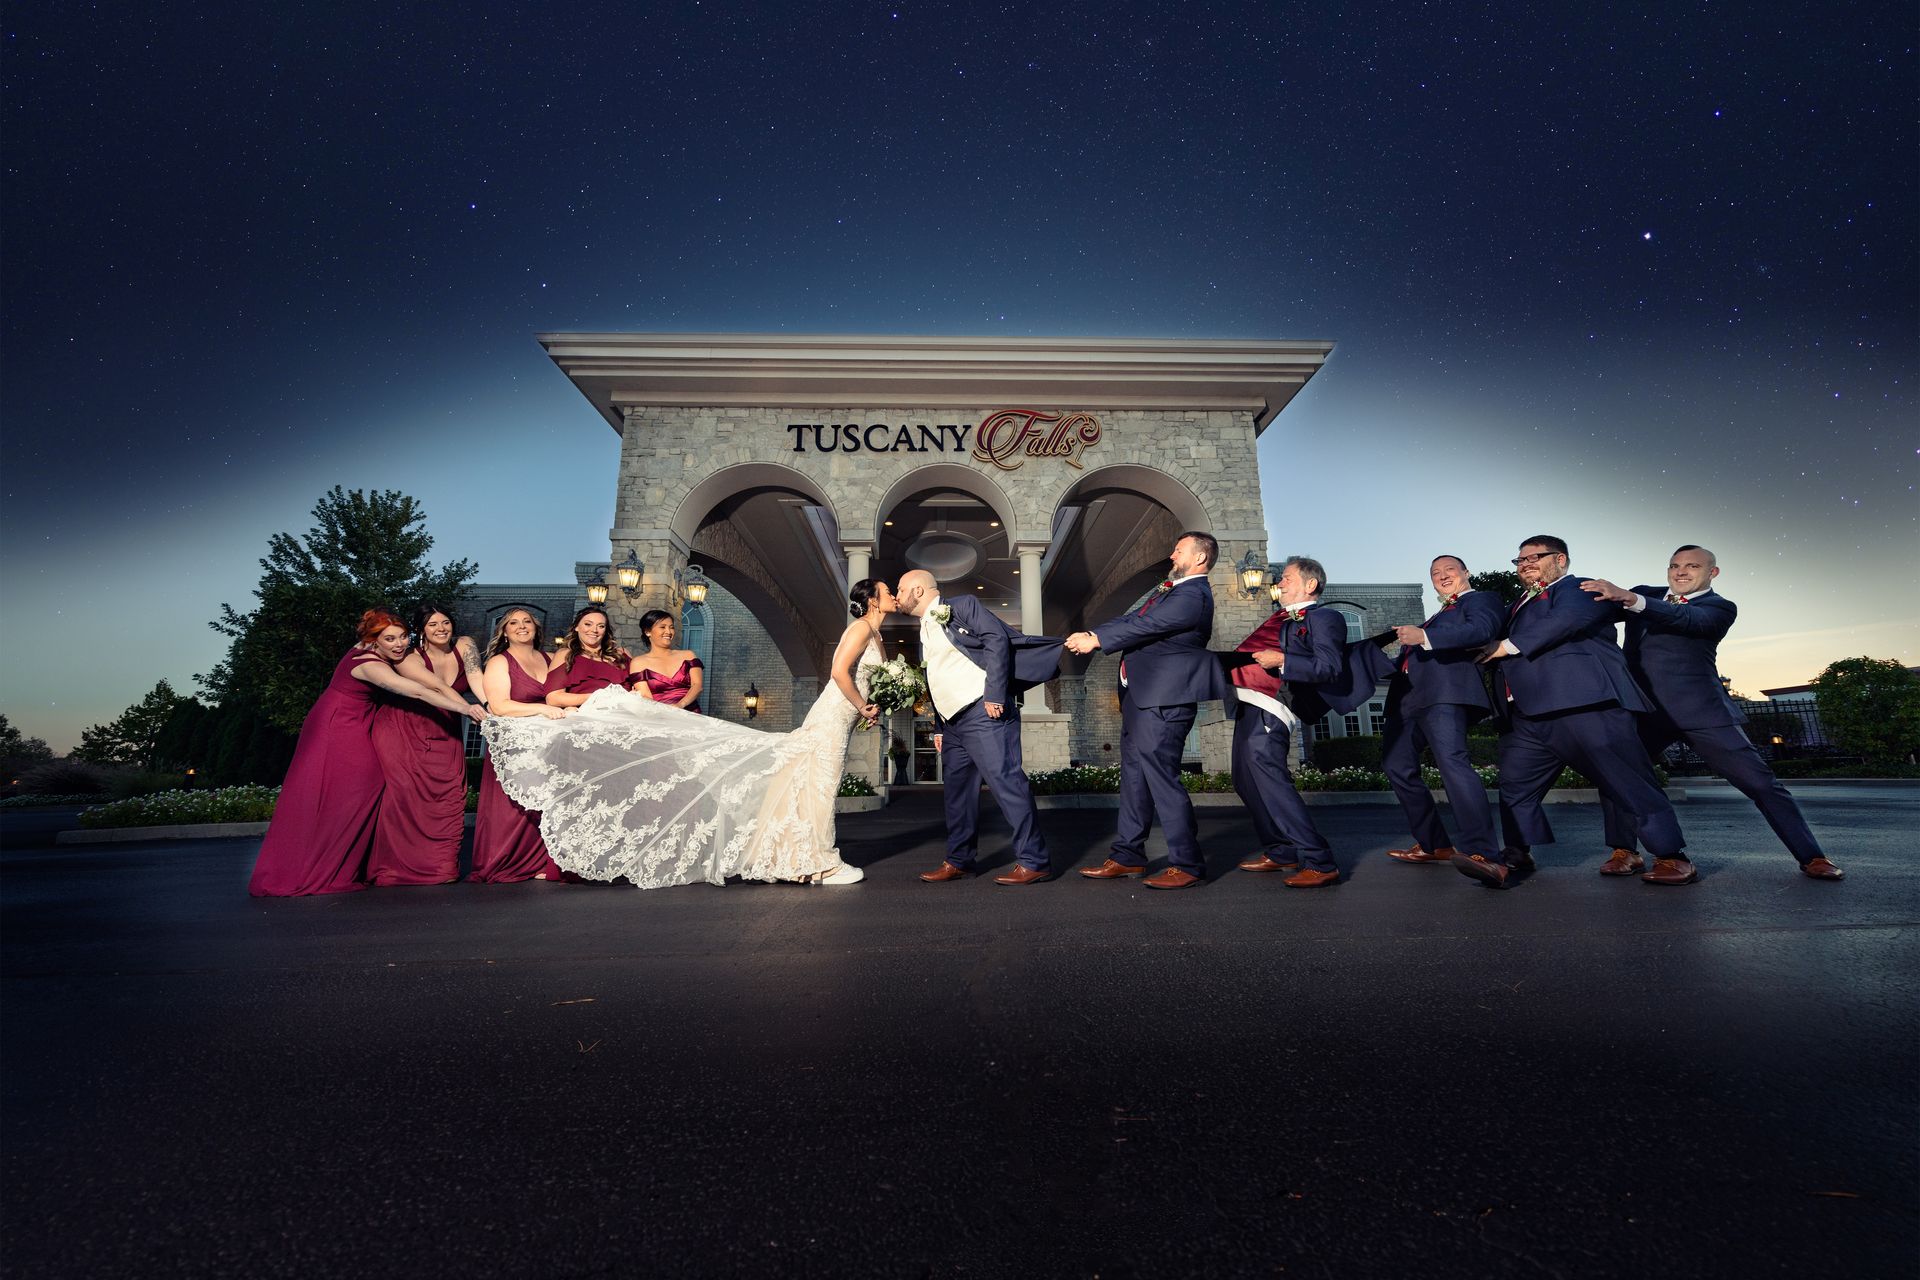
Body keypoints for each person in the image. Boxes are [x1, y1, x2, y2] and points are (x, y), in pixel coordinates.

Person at [479, 581, 900, 888]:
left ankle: (802, 853)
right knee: (810, 776)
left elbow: (640, 685)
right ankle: (815, 858)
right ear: (872, 599)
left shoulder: (621, 657)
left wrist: (871, 702)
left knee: (810, 778)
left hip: (831, 714)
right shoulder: (862, 627)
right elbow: (839, 672)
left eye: (599, 625)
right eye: (588, 624)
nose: (594, 630)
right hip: (607, 720)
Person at [1582, 546, 1843, 881]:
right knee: (1618, 775)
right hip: (1645, 713)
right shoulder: (1645, 594)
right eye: (1675, 566)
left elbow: (1685, 619)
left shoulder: (1718, 607)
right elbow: (1589, 610)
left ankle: (1812, 856)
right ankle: (1625, 851)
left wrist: (1632, 600)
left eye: (1692, 566)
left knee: (1761, 784)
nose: (1681, 572)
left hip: (1703, 713)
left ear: (1712, 573)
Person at [1465, 535, 1692, 889]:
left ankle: (1672, 856)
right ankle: (1515, 854)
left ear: (1561, 560)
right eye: (1519, 560)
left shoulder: (1581, 589)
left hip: (1585, 704)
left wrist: (1504, 647)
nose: (1524, 564)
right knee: (1515, 788)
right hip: (1526, 715)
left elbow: (1567, 620)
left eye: (1533, 557)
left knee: (1628, 780)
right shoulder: (1515, 606)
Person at [248, 609, 487, 897]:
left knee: (368, 788)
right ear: (373, 641)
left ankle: (347, 865)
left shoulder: (371, 650)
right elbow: (416, 691)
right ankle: (312, 868)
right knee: (343, 790)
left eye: (402, 637)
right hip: (338, 725)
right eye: (390, 639)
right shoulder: (369, 664)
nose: (399, 644)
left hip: (362, 721)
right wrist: (466, 708)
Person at [1065, 532, 1228, 890]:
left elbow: (1147, 626)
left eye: (1179, 549)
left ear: (1200, 558)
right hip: (1141, 701)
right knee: (1135, 780)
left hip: (1164, 703)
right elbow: (1131, 618)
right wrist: (1093, 633)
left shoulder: (1194, 596)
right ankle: (1128, 856)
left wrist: (1097, 641)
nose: (1172, 554)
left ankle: (1187, 864)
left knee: (1162, 782)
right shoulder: (1169, 591)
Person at [897, 569, 1062, 886]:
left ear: (918, 591)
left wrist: (996, 693)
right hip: (953, 723)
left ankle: (1035, 861)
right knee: (957, 795)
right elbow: (937, 677)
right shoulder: (924, 629)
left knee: (1007, 783)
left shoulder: (961, 605)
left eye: (900, 589)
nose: (896, 595)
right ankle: (960, 860)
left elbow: (996, 639)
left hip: (984, 710)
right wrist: (940, 727)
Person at [1219, 556, 1353, 887]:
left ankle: (1320, 861)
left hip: (1273, 704)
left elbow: (1329, 667)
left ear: (1311, 584)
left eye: (1288, 578)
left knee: (1271, 781)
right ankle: (1281, 851)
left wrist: (1283, 660)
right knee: (1244, 781)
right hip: (1247, 703)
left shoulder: (1325, 617)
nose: (1279, 582)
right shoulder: (1281, 617)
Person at [1379, 555, 1504, 869]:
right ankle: (1434, 844)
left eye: (1449, 569)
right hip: (1407, 701)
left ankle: (1484, 852)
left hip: (1444, 696)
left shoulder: (1480, 600)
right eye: (1435, 572)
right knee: (1396, 766)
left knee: (1453, 765)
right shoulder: (1437, 615)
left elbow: (1481, 630)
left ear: (1465, 573)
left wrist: (1423, 636)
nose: (1442, 575)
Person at [367, 603, 484, 887]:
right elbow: (436, 688)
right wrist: (471, 710)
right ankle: (396, 868)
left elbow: (475, 676)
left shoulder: (466, 644)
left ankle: (441, 867)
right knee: (404, 798)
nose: (441, 628)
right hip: (406, 729)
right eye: (432, 624)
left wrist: (489, 704)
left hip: (447, 729)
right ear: (420, 630)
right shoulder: (409, 656)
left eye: (445, 622)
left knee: (449, 796)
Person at [470, 607, 570, 884]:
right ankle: (508, 862)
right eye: (513, 622)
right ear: (504, 631)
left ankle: (543, 862)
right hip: (514, 746)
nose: (521, 626)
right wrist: (541, 710)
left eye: (527, 621)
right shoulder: (499, 662)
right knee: (515, 808)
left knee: (543, 805)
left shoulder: (549, 658)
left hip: (546, 745)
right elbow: (500, 706)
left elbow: (559, 697)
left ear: (536, 628)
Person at [543, 606, 630, 708]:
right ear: (576, 627)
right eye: (588, 624)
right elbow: (553, 699)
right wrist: (599, 697)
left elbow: (639, 689)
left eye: (601, 626)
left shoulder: (622, 654)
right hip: (588, 715)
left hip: (626, 713)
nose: (594, 630)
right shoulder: (566, 654)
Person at [626, 609, 703, 712]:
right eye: (662, 627)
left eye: (671, 627)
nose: (668, 631)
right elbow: (645, 695)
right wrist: (665, 711)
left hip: (691, 714)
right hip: (659, 716)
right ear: (647, 632)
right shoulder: (638, 662)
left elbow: (697, 685)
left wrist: (680, 705)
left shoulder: (688, 655)